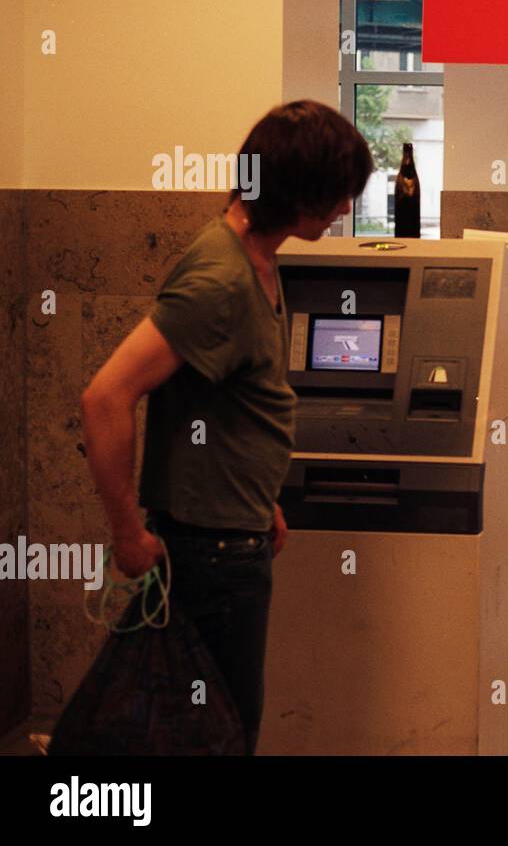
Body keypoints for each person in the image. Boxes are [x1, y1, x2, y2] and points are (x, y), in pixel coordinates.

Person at [80, 100, 373, 753]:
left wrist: (255, 499)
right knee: (216, 736)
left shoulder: (256, 261)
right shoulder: (220, 278)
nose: (344, 209)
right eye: (337, 194)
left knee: (217, 729)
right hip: (209, 558)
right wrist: (126, 531)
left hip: (232, 539)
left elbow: (223, 405)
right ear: (300, 191)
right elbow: (105, 397)